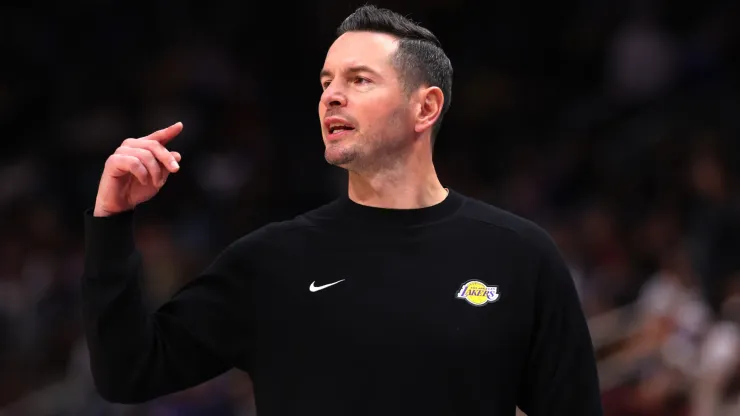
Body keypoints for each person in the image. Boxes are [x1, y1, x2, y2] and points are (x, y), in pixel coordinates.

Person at [82, 5, 603, 415]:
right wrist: (110, 221)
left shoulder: (519, 256)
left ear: (426, 107)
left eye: (359, 80)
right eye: (326, 81)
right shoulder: (271, 260)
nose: (332, 96)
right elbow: (128, 373)